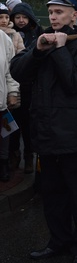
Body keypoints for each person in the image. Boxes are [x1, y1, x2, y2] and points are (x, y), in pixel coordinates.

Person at [10, 0, 77, 263]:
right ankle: (58, 240)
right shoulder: (41, 39)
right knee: (53, 194)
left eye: (59, 12)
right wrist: (37, 50)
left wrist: (60, 49)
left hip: (75, 136)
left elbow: (74, 81)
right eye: (50, 12)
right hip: (46, 134)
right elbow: (18, 72)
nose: (53, 16)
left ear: (74, 15)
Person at [9, 2, 43, 173]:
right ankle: (13, 155)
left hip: (30, 88)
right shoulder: (9, 34)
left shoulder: (38, 34)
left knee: (29, 124)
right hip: (13, 87)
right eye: (17, 17)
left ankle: (29, 155)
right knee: (12, 124)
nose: (21, 20)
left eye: (24, 17)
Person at [0, 30, 20, 182]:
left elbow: (10, 71)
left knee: (4, 133)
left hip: (1, 102)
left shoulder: (3, 38)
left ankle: (3, 164)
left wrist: (12, 92)